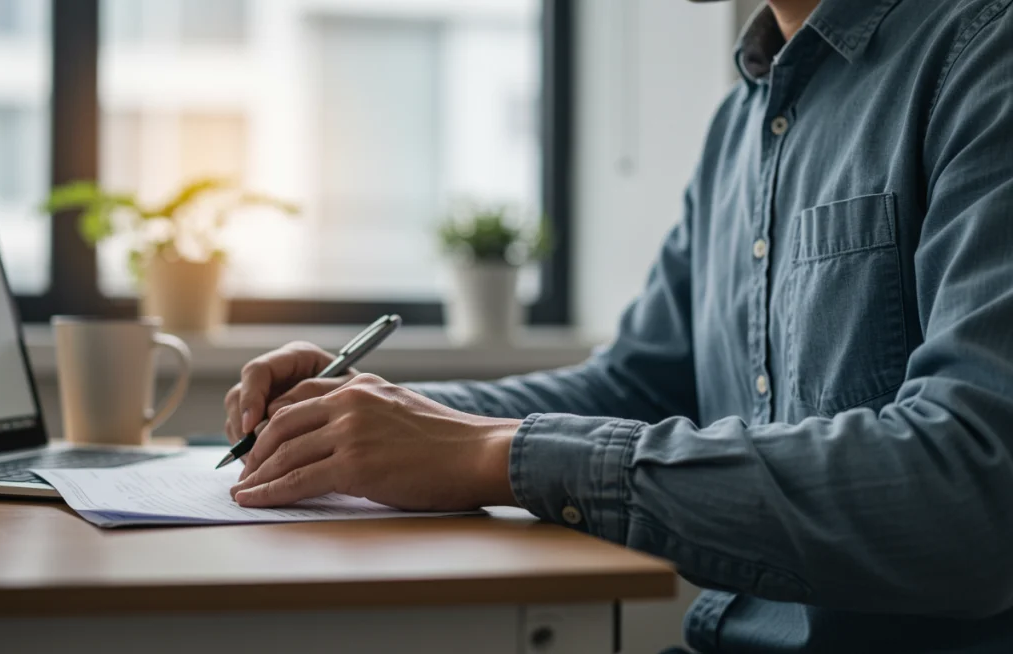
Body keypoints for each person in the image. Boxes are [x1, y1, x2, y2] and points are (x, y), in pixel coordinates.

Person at [224, 0, 1013, 651]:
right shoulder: (744, 121)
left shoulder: (984, 56)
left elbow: (974, 490)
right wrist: (372, 412)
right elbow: (636, 383)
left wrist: (497, 454)